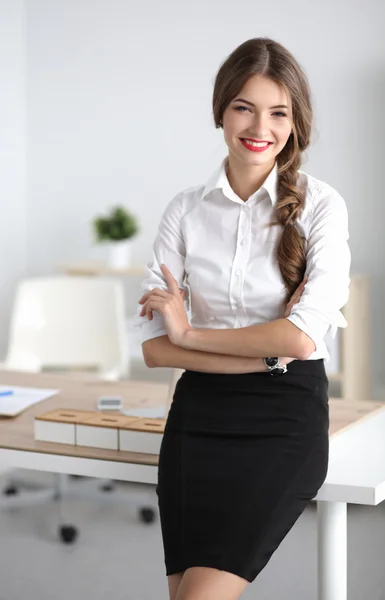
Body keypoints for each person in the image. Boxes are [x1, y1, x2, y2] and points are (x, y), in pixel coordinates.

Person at [134, 37, 351, 600]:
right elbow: (154, 349)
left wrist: (189, 333)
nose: (261, 126)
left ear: (295, 121)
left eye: (278, 112)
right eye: (244, 107)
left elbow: (302, 341)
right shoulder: (184, 209)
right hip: (197, 418)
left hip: (283, 420)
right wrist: (265, 354)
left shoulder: (323, 206)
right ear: (220, 111)